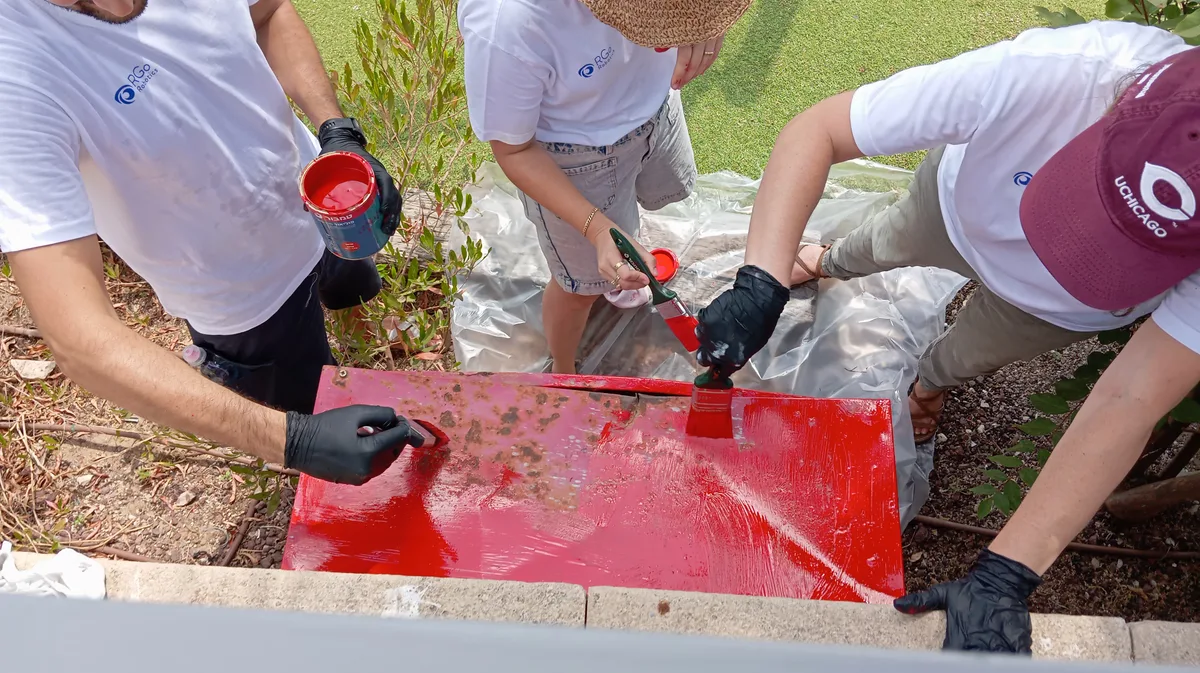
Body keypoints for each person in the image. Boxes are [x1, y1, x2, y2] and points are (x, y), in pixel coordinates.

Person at [696, 20, 1200, 653]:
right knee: (879, 244)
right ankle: (826, 261)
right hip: (955, 212)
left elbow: (1135, 396)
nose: (1058, 249)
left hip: (1054, 311)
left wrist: (1009, 573)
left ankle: (929, 386)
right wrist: (761, 280)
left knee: (960, 358)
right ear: (1119, 105)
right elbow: (818, 130)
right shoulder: (1056, 70)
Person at [0, 0, 427, 486]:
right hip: (243, 301)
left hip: (318, 207)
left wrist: (337, 131)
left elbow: (268, 13)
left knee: (355, 295)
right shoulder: (15, 79)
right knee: (317, 418)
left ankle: (369, 361)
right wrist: (296, 440)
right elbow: (80, 342)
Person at [458, 0, 752, 373]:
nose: (661, 38)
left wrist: (706, 24)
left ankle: (615, 259)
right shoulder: (507, 23)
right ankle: (564, 370)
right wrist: (595, 227)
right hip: (575, 158)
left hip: (658, 107)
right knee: (578, 289)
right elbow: (514, 150)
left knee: (656, 201)